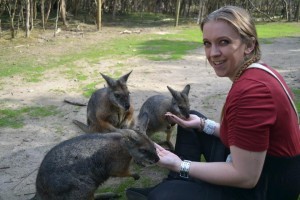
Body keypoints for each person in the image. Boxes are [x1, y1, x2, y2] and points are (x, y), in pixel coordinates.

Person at [126, 5, 300, 200]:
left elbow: (246, 177)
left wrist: (180, 164)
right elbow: (245, 135)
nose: (213, 53)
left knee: (164, 196)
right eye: (207, 43)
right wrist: (203, 125)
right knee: (193, 120)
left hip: (267, 186)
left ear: (249, 45)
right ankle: (178, 182)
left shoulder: (252, 92)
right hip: (257, 160)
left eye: (223, 42)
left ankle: (175, 184)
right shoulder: (258, 71)